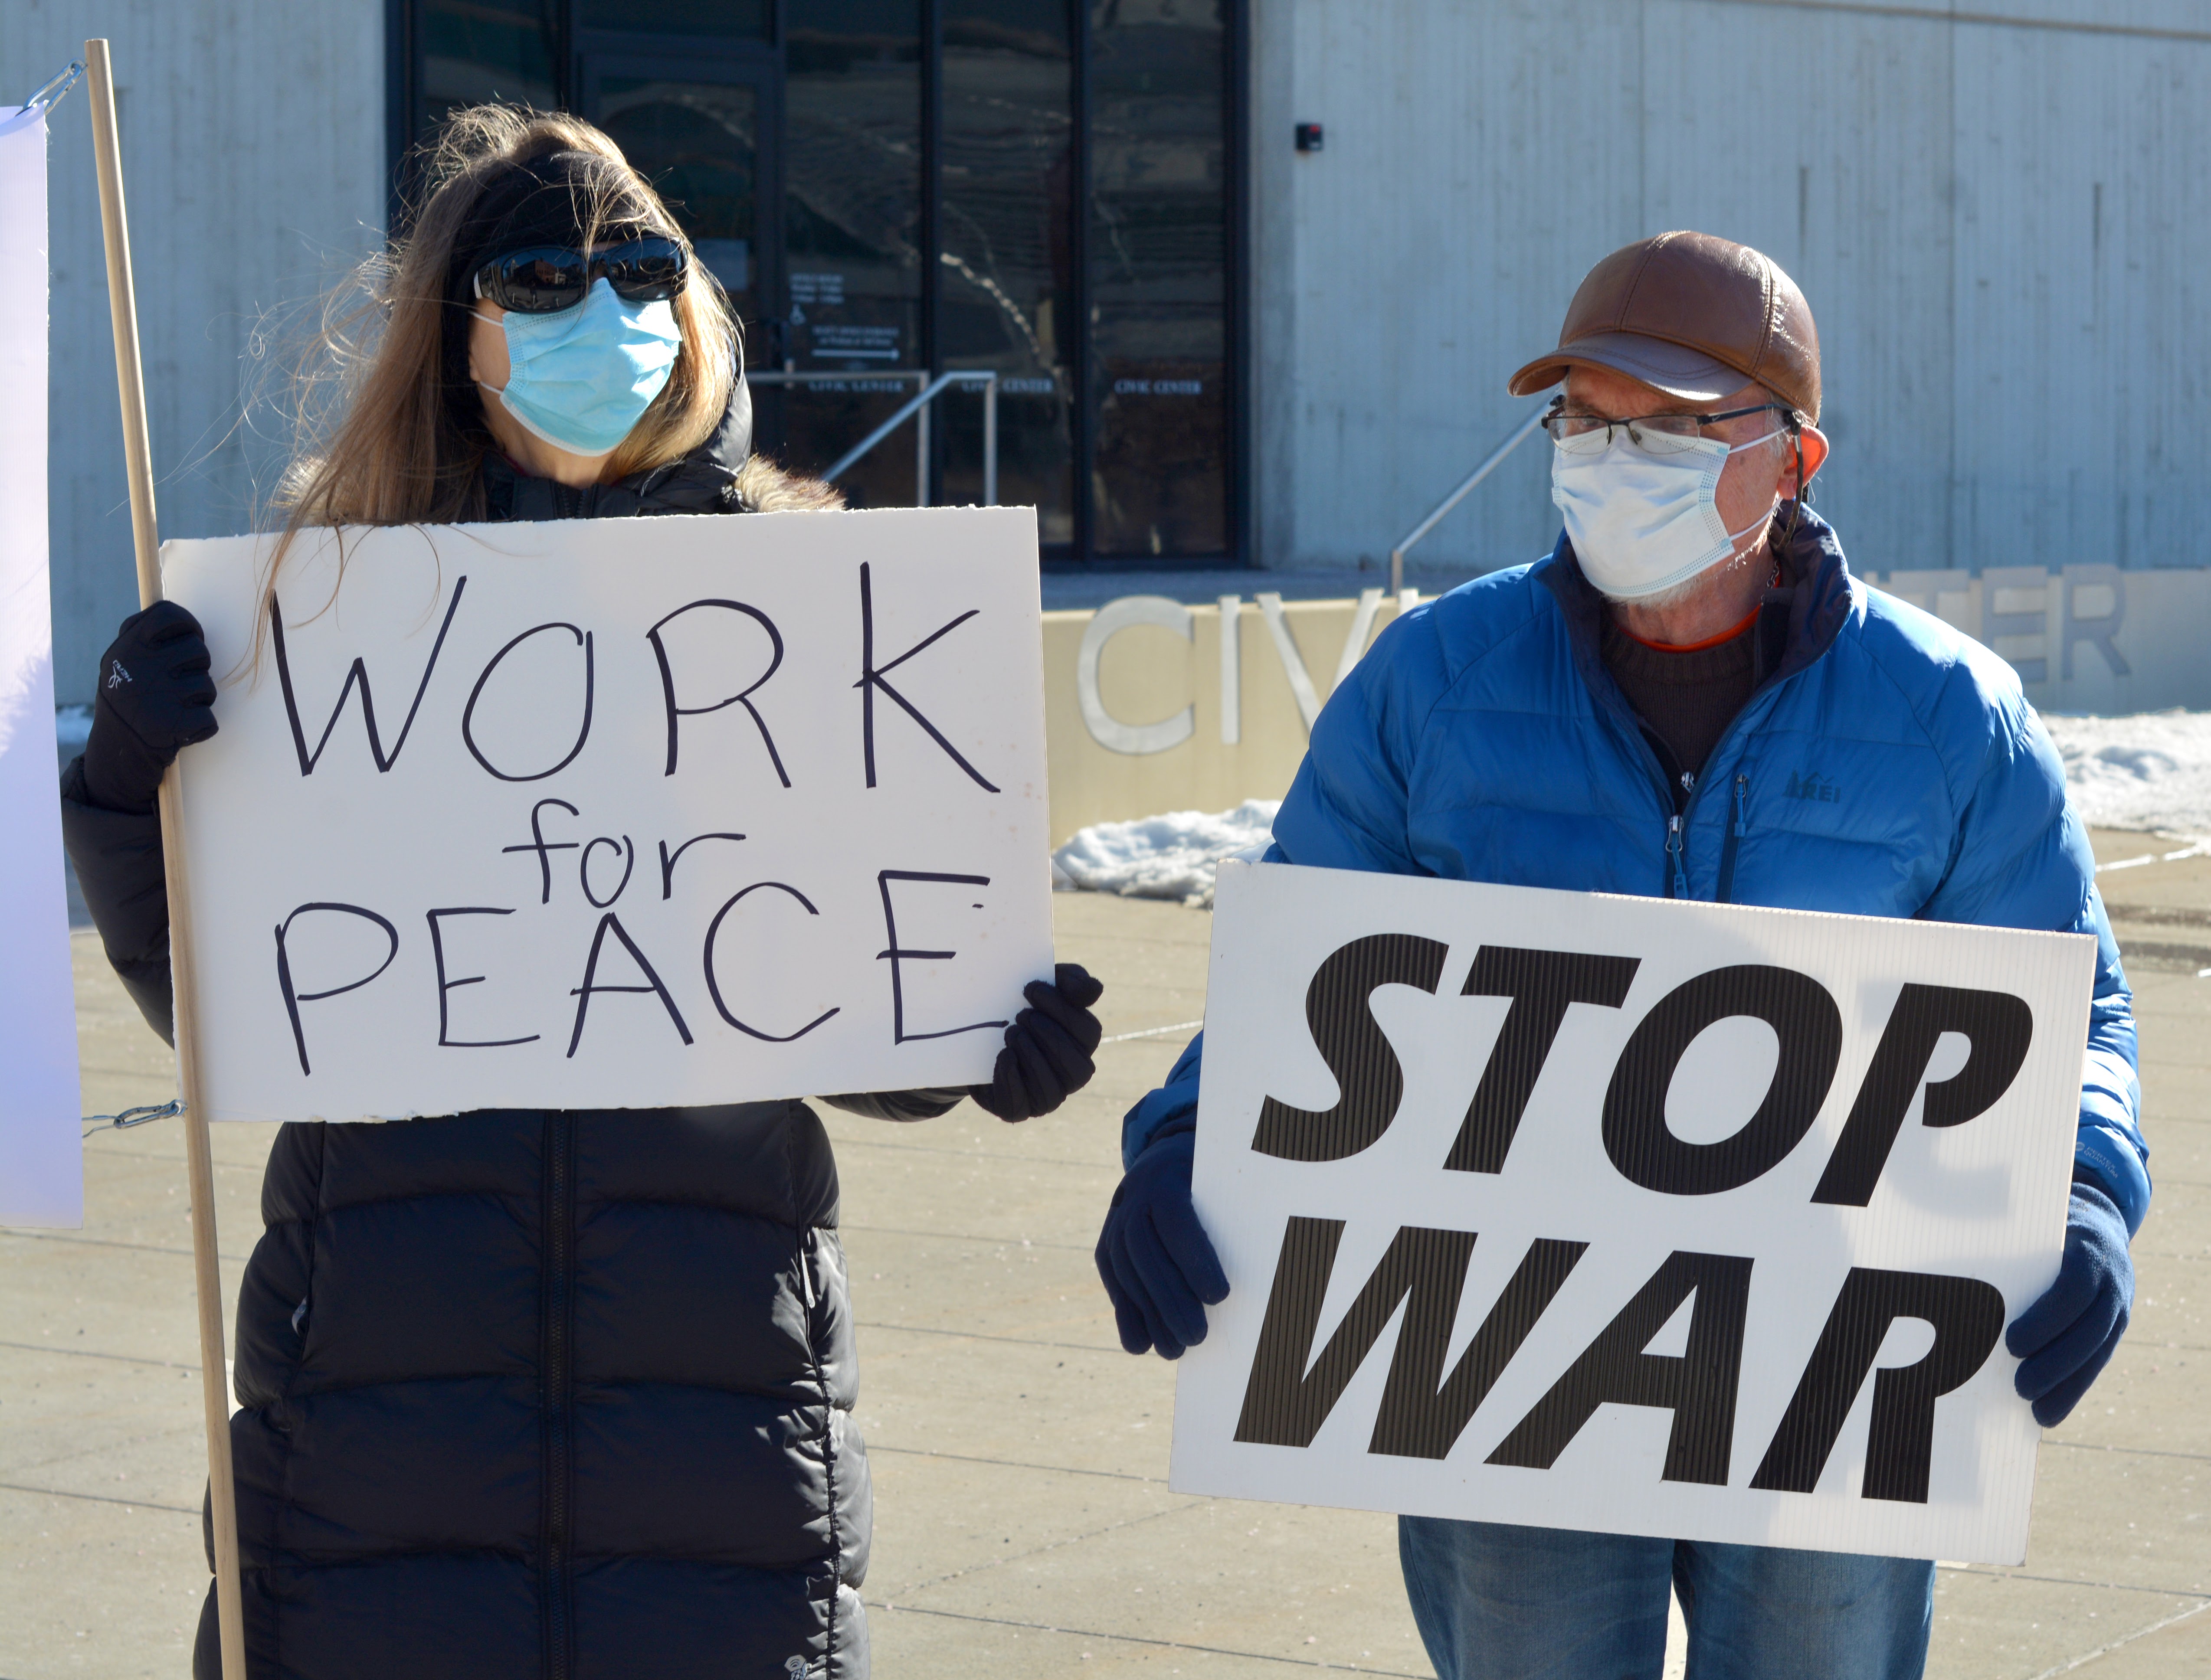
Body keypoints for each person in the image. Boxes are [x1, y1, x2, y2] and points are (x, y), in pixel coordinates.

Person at [62, 106, 1104, 1680]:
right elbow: (208, 997)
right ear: (457, 331)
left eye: (640, 269)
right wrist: (127, 781)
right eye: (539, 276)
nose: (598, 314)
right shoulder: (324, 603)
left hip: (713, 1435)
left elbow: (831, 990)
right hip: (374, 1438)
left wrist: (976, 1037)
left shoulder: (804, 597)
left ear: (690, 313)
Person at [1094, 231, 2145, 1679]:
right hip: (1512, 1361)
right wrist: (1190, 1139)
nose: (1606, 454)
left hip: (1834, 1360)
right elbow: (1309, 960)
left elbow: (2067, 1002)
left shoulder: (1952, 718)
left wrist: (2082, 1192)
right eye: (1583, 418)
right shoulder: (1431, 682)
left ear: (1790, 457)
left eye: (1661, 425)